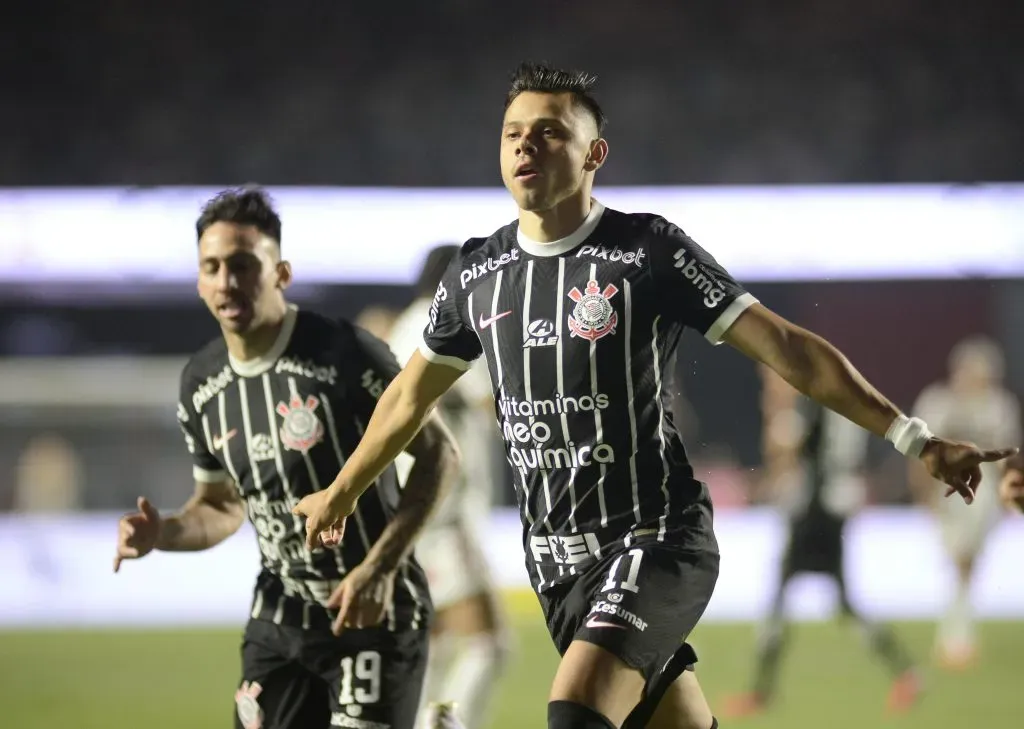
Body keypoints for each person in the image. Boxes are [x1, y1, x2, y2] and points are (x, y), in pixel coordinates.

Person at [293, 63, 1018, 729]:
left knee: (576, 709)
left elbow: (789, 350)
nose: (526, 146)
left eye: (550, 132)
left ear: (593, 154)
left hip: (654, 539)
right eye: (513, 133)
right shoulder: (476, 275)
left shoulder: (647, 252)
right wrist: (342, 490)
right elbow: (408, 397)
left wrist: (915, 438)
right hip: (556, 563)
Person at [112, 187, 459, 729]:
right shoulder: (201, 383)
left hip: (372, 611)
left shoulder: (346, 354)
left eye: (243, 264)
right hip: (281, 615)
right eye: (212, 267)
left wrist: (381, 566)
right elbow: (220, 506)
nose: (227, 281)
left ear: (281, 273)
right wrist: (165, 533)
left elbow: (440, 455)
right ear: (200, 281)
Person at [723, 365, 920, 718]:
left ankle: (761, 691)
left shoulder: (808, 407)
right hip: (835, 507)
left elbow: (787, 451)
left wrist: (775, 418)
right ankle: (905, 672)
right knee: (838, 600)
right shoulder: (840, 405)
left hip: (815, 510)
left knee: (783, 596)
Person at [388, 245, 509, 729]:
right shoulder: (448, 323)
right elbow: (494, 406)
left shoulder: (403, 327)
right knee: (488, 643)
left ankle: (411, 720)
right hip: (444, 509)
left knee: (434, 640)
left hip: (407, 504)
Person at [908, 335, 1022, 669]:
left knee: (965, 562)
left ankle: (956, 637)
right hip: (945, 489)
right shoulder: (937, 402)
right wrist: (922, 494)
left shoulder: (999, 406)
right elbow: (918, 453)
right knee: (960, 562)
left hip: (982, 492)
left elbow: (1007, 457)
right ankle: (958, 635)